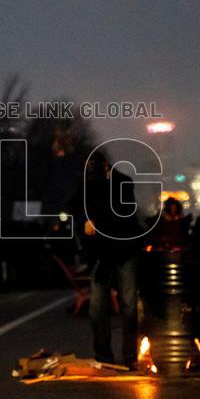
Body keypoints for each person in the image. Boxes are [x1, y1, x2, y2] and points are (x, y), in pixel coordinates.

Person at [74, 151, 140, 368]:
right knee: (98, 306)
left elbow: (124, 213)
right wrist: (85, 219)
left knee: (129, 305)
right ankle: (103, 355)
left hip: (122, 250)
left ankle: (131, 356)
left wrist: (95, 222)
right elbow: (75, 205)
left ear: (106, 167)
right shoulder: (89, 183)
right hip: (101, 252)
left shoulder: (123, 183)